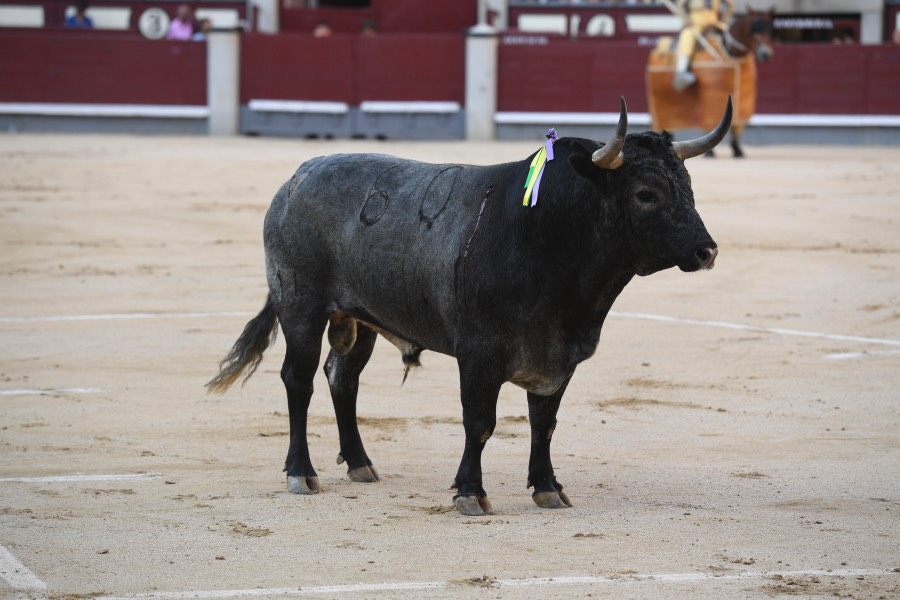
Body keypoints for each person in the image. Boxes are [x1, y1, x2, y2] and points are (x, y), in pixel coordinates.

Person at [672, 0, 734, 92]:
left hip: (713, 22)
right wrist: (686, 20)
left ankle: (732, 62)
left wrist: (724, 19)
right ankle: (681, 71)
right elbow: (680, 4)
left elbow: (731, 5)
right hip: (695, 22)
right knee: (686, 36)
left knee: (728, 36)